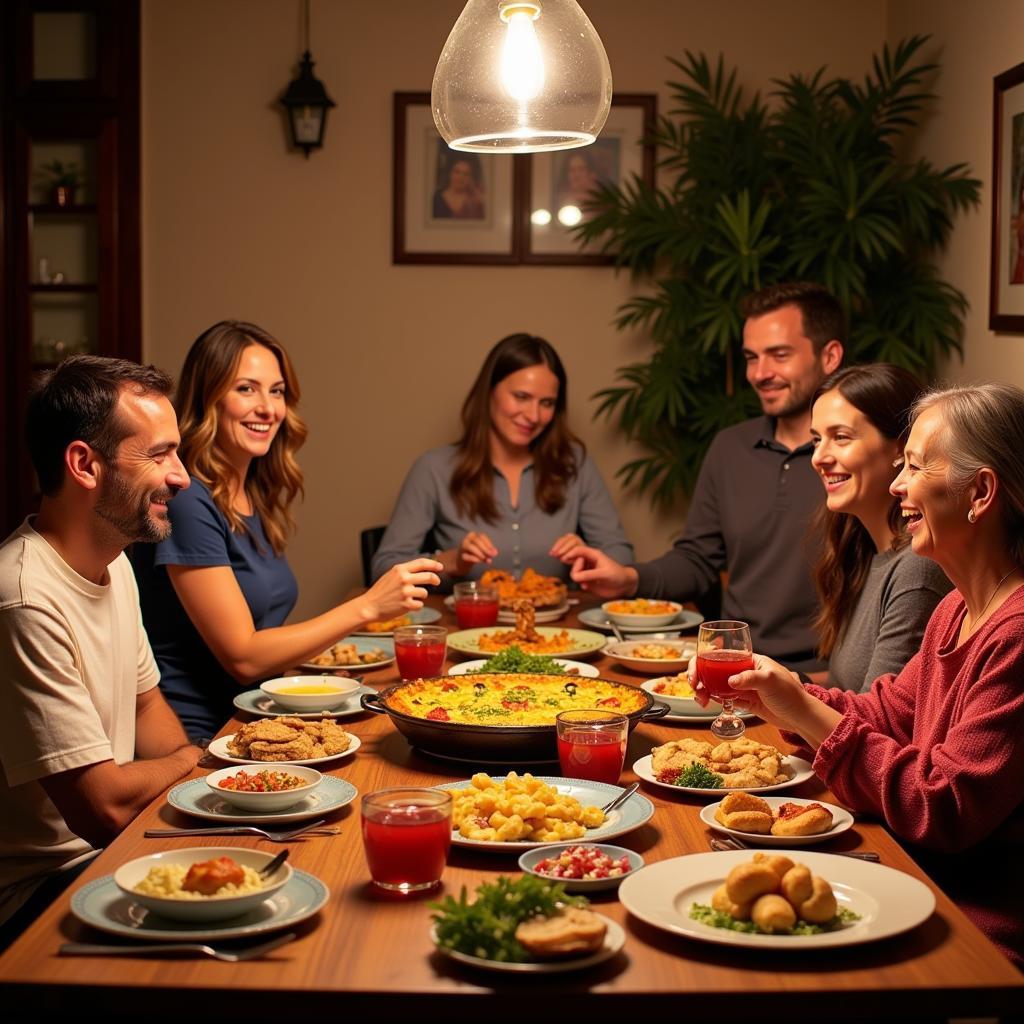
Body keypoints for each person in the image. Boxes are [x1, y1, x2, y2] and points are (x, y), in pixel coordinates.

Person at [710, 383, 1024, 968]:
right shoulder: (956, 609)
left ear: (980, 493)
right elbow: (887, 713)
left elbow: (943, 803)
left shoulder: (1016, 633)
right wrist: (787, 694)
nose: (898, 486)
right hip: (917, 884)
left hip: (976, 936)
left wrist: (805, 713)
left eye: (913, 466)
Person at [131, 321, 441, 740]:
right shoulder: (187, 500)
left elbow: (262, 639)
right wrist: (366, 606)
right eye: (246, 388)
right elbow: (242, 656)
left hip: (261, 715)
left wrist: (315, 662)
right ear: (209, 397)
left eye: (276, 391)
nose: (268, 408)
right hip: (205, 737)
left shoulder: (248, 493)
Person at [0, 355, 202, 947]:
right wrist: (196, 761)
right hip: (40, 894)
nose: (182, 476)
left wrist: (196, 764)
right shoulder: (23, 599)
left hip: (119, 849)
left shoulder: (115, 563)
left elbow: (146, 711)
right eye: (159, 454)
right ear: (84, 464)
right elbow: (103, 809)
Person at [561, 281, 844, 672]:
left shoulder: (859, 458)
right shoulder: (731, 448)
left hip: (824, 676)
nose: (760, 373)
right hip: (733, 668)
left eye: (779, 355)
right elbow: (697, 560)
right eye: (751, 357)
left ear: (829, 356)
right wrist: (627, 579)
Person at [371, 333, 633, 586]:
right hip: (466, 626)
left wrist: (589, 559)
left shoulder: (575, 465)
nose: (533, 415)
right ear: (489, 392)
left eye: (547, 403)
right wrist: (453, 561)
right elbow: (384, 569)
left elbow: (622, 559)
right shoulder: (434, 468)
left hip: (556, 627)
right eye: (521, 397)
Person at [808, 364, 951, 691]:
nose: (819, 457)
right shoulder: (862, 552)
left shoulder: (917, 569)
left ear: (901, 448)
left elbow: (876, 722)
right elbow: (845, 687)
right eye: (817, 440)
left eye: (840, 437)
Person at [433, 152, 485, 219]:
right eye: (457, 172)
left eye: (466, 174)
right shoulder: (436, 198)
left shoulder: (475, 202)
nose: (460, 177)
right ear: (450, 173)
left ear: (470, 178)